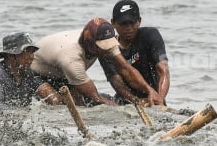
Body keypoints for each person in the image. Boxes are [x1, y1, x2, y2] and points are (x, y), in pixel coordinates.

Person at [30, 18, 164, 107]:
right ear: (89, 43)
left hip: (62, 73)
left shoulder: (104, 43)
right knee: (57, 104)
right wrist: (127, 111)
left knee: (80, 105)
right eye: (103, 46)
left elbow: (125, 68)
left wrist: (150, 91)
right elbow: (95, 97)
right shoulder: (71, 57)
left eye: (109, 45)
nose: (107, 50)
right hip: (35, 72)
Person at [101, 0, 170, 105]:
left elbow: (163, 71)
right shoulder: (106, 48)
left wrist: (160, 100)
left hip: (154, 96)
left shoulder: (150, 36)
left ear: (139, 21)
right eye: (123, 24)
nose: (128, 28)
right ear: (113, 23)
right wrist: (136, 101)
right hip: (127, 101)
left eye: (132, 23)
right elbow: (117, 82)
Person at [0, 32, 56, 111]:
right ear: (10, 56)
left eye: (32, 52)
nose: (31, 57)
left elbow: (45, 96)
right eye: (26, 52)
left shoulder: (28, 73)